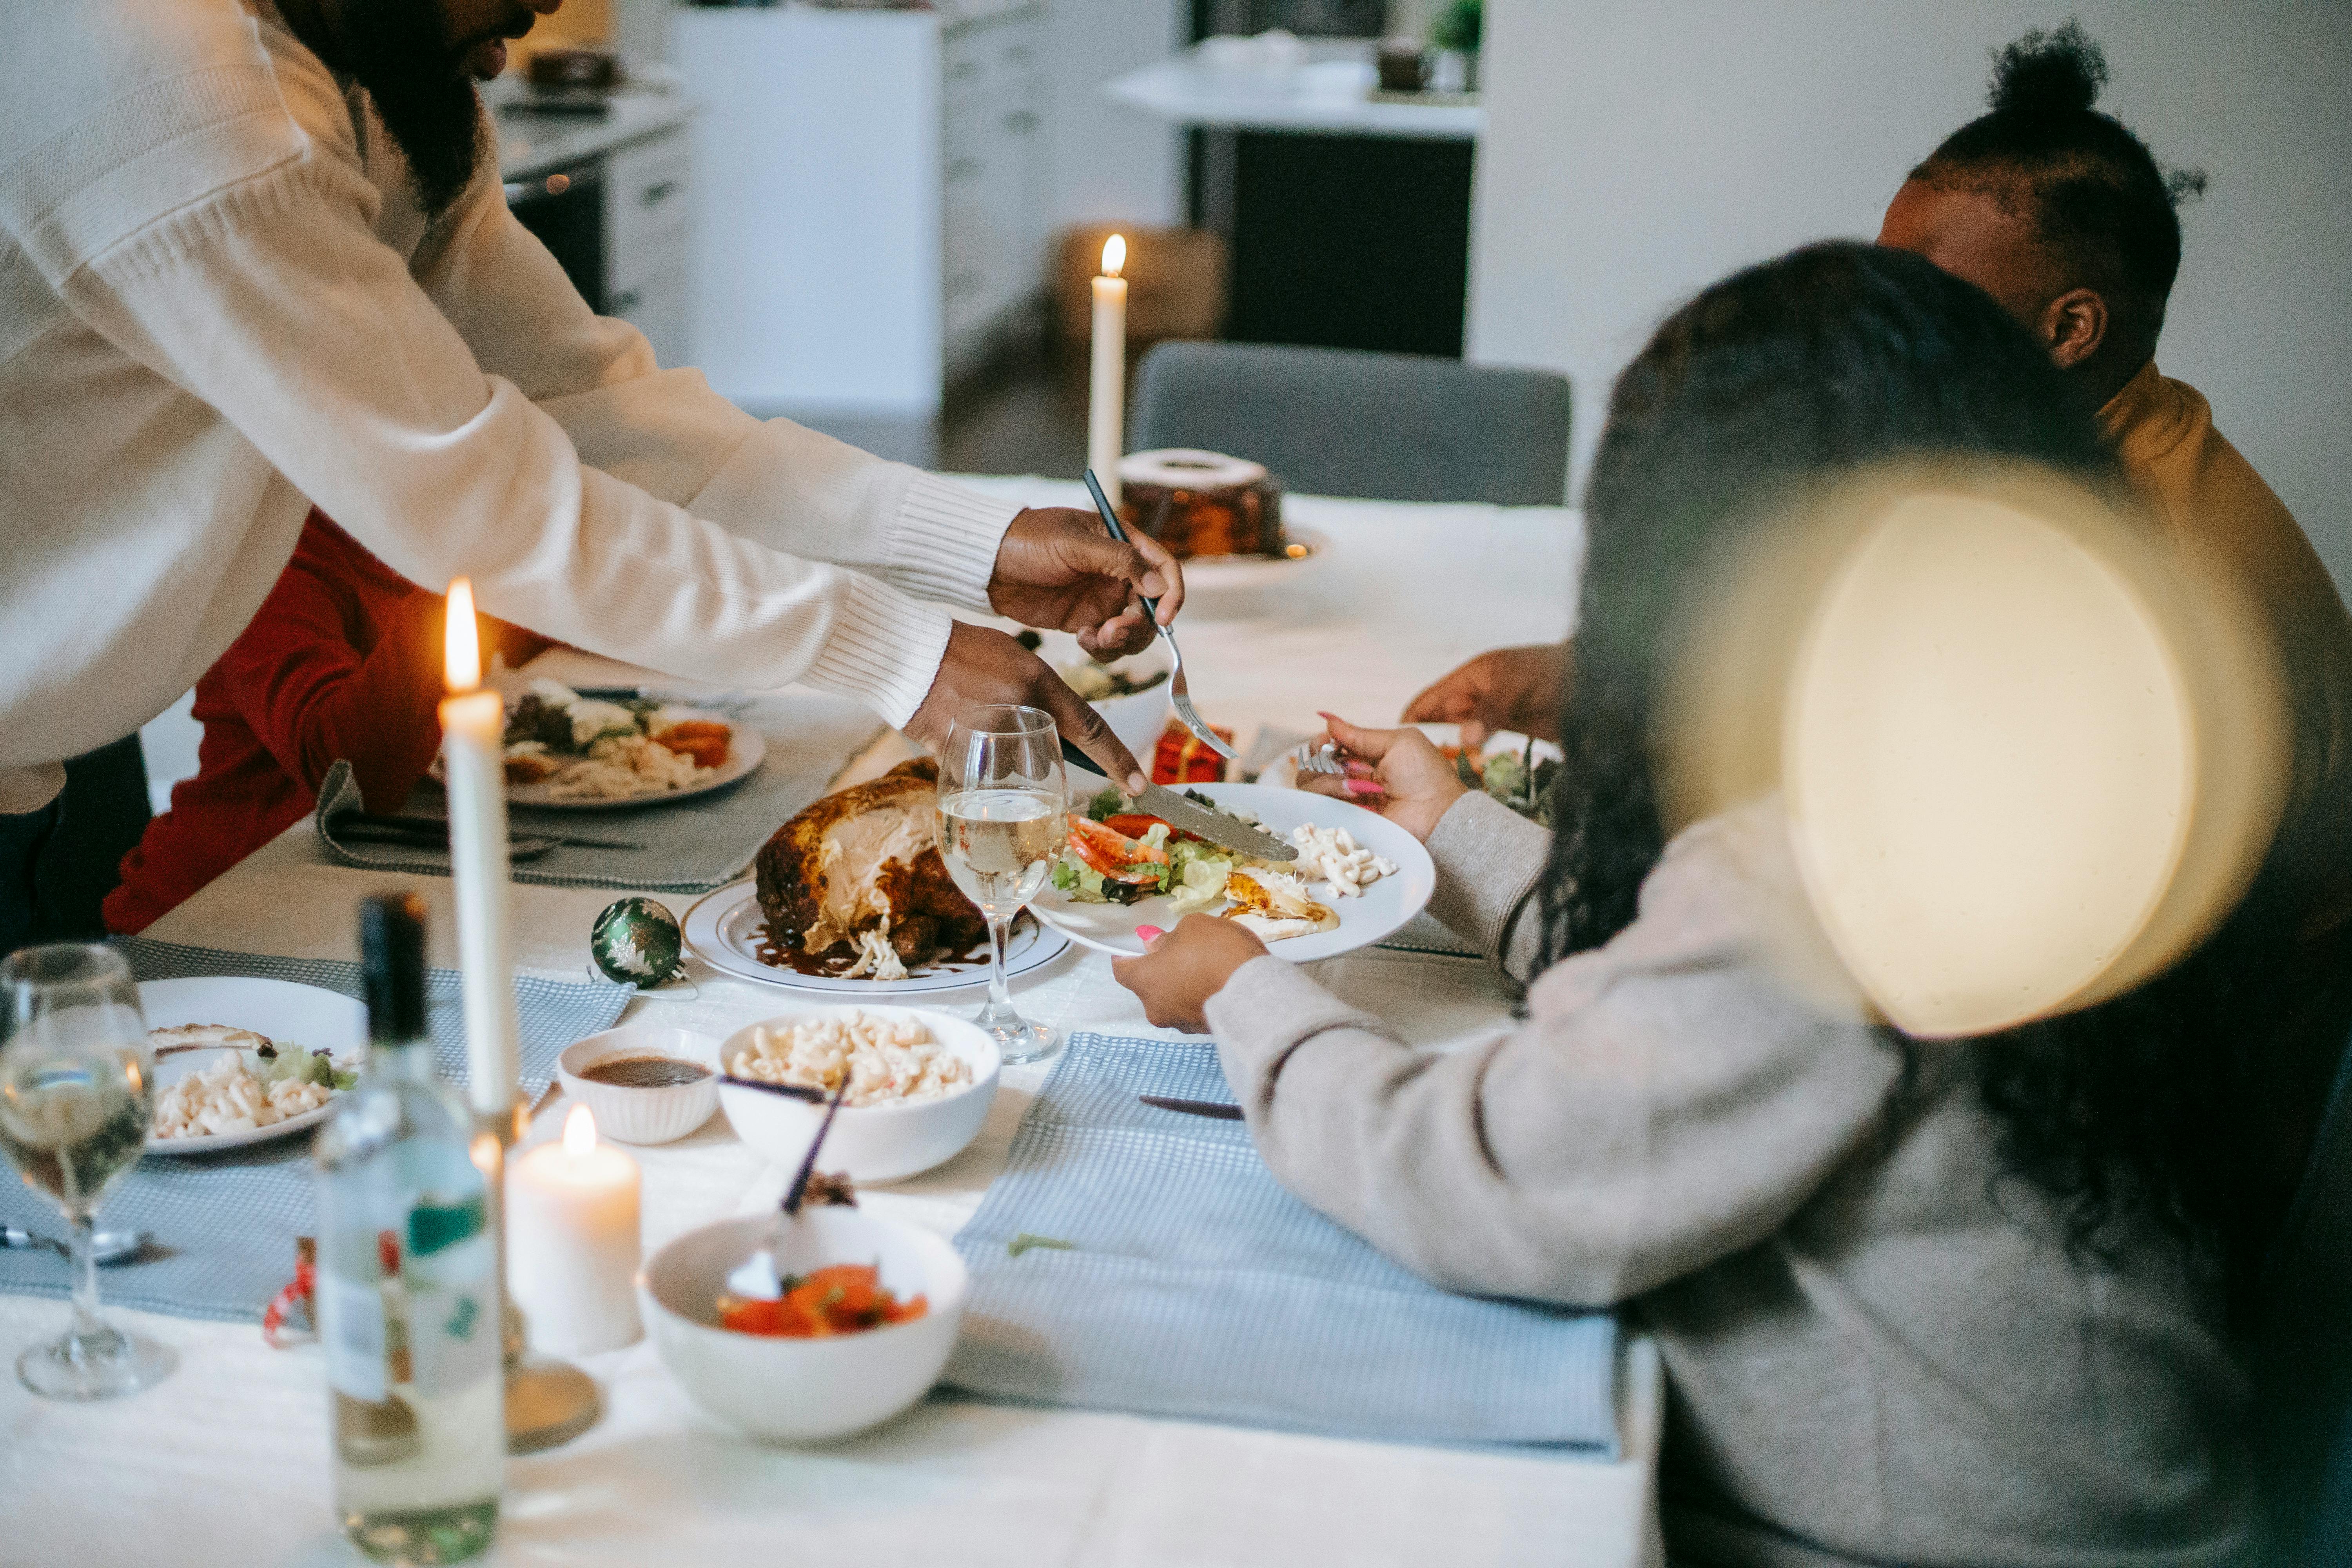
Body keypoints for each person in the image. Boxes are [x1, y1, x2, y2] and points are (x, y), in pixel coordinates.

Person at [1116, 243, 2259, 1565]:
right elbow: (1685, 1009)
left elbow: (1482, 1178)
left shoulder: (1829, 865)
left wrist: (1243, 992)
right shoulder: (2015, 749)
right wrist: (1459, 831)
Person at [0, 0, 1179, 944]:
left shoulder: (376, 73)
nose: (552, 7)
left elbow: (604, 410)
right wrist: (900, 656)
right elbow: (481, 498)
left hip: (46, 731)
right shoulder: (179, 88)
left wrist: (968, 544)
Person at [1412, 27, 2352, 946]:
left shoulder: (2130, 569)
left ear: (2071, 330)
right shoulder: (2049, 439)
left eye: (1919, 289)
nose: (1872, 322)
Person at [102, 509, 550, 935]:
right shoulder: (275, 548)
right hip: (213, 911)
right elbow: (346, 775)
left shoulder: (404, 536)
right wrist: (456, 577)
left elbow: (533, 622)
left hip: (343, 883)